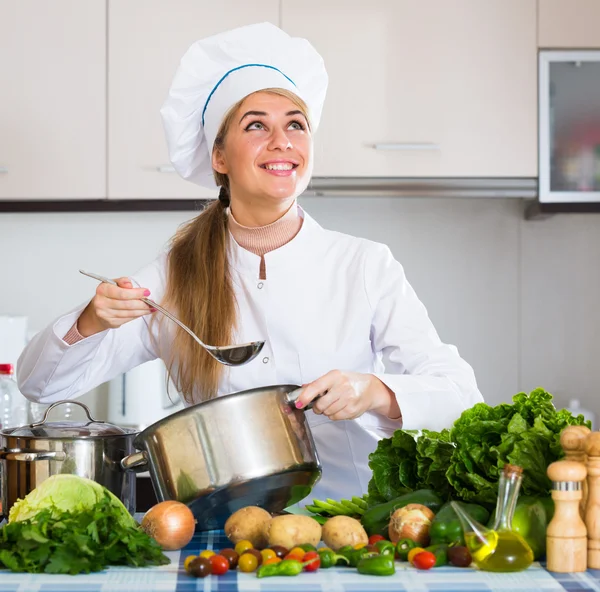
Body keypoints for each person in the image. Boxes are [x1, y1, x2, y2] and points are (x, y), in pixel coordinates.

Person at [17, 22, 483, 501]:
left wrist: (375, 392)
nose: (282, 141)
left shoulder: (363, 265)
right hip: (222, 533)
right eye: (256, 124)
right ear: (218, 155)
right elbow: (39, 385)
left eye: (295, 124)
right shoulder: (175, 276)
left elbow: (461, 396)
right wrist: (91, 321)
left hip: (351, 524)